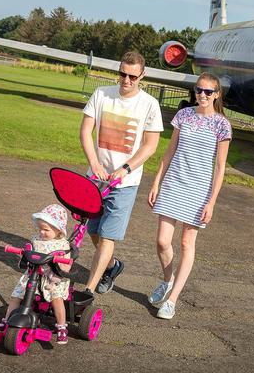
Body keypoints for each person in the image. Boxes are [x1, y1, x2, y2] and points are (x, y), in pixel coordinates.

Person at [147, 72, 232, 320]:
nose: (202, 95)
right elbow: (170, 150)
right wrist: (156, 182)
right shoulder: (183, 115)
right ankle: (167, 280)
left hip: (199, 190)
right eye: (198, 90)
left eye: (208, 92)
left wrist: (212, 201)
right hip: (174, 183)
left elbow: (220, 166)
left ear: (217, 94)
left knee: (186, 243)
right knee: (162, 241)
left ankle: (172, 300)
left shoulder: (222, 124)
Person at [80, 51, 163, 295]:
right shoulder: (102, 94)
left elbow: (150, 145)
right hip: (95, 177)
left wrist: (125, 169)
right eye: (122, 74)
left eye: (132, 77)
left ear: (142, 76)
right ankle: (113, 266)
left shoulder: (149, 104)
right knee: (92, 231)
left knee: (107, 236)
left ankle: (88, 291)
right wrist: (94, 163)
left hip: (125, 183)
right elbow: (85, 131)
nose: (126, 81)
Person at [0, 204, 72, 344]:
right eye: (40, 229)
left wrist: (62, 264)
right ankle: (6, 320)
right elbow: (28, 250)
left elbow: (67, 263)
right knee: (16, 295)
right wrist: (23, 251)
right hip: (32, 274)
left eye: (46, 230)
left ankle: (62, 326)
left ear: (58, 230)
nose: (42, 232)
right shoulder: (36, 239)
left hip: (52, 278)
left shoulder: (62, 245)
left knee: (56, 298)